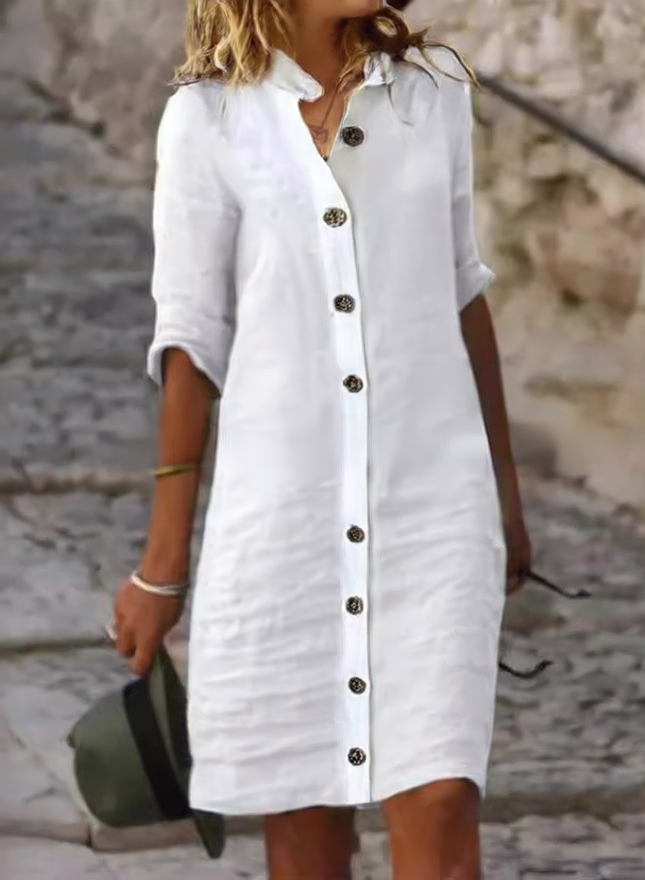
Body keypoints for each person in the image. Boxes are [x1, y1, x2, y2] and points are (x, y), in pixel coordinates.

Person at [112, 1, 531, 877]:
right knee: (305, 826)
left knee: (442, 800)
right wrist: (162, 567)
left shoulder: (433, 96)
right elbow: (192, 342)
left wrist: (504, 495)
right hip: (281, 522)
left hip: (434, 506)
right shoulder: (207, 121)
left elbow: (464, 290)